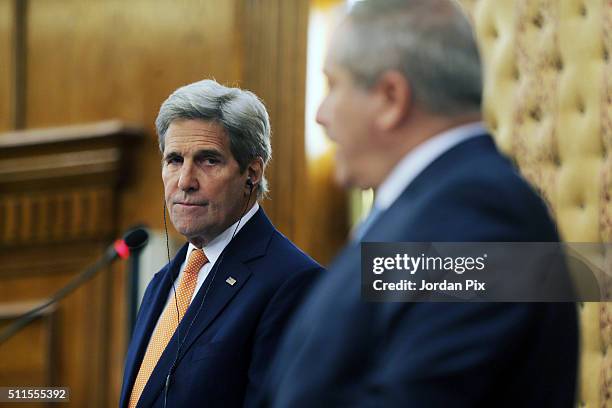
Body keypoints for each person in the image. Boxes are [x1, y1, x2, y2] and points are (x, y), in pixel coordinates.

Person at [262, 0, 578, 407]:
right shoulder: (432, 207)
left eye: (333, 85)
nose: (322, 114)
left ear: (391, 98)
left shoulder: (483, 220)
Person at [120, 79, 323, 408]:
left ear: (252, 173)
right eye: (174, 160)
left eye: (208, 160)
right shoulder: (162, 283)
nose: (185, 182)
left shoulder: (293, 283)